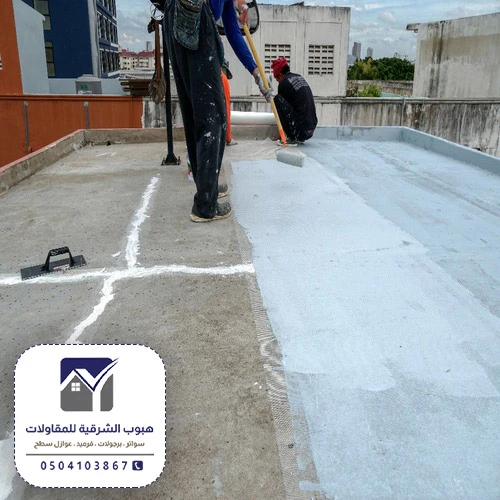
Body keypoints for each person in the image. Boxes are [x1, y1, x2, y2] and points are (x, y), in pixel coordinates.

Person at [162, 0, 270, 222]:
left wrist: (255, 72)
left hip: (174, 18)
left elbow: (233, 32)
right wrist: (241, 5)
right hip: (196, 16)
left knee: (194, 113)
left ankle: (206, 188)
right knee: (213, 118)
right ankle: (205, 205)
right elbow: (226, 14)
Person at [271, 56, 318, 144]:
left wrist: (281, 135)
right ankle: (298, 134)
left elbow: (282, 113)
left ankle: (290, 136)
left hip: (300, 132)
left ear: (280, 75)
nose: (278, 81)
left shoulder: (284, 84)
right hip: (311, 130)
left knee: (277, 99)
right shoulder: (299, 77)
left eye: (277, 79)